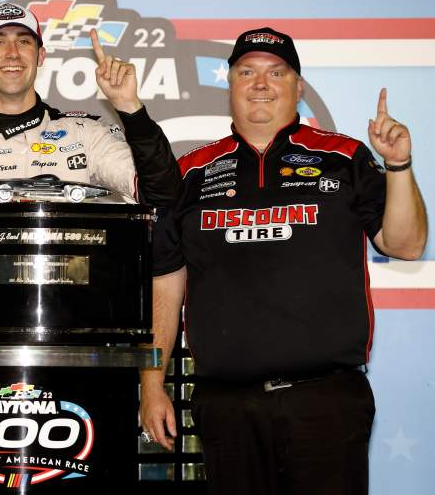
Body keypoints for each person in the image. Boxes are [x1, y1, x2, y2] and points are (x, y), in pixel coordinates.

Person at [140, 27, 427, 495]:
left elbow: (406, 244)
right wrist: (152, 384)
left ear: (298, 86)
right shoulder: (189, 173)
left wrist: (398, 165)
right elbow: (166, 287)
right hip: (226, 405)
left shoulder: (345, 157)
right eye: (247, 72)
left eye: (276, 72)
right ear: (230, 84)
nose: (260, 83)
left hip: (327, 400)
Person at [0, 2, 179, 255]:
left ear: (41, 55)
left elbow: (162, 196)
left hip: (81, 302)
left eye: (24, 41)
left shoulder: (86, 132)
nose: (12, 54)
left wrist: (131, 109)